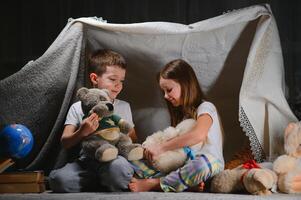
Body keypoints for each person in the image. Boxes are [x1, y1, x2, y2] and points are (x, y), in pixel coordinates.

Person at [129, 59, 224, 192]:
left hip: (208, 165)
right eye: (163, 92)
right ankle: (186, 184)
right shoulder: (183, 115)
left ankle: (156, 183)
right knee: (134, 162)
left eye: (169, 90)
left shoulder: (206, 107)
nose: (166, 96)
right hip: (182, 167)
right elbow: (176, 152)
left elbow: (198, 135)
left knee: (201, 165)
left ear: (185, 85)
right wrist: (152, 152)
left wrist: (161, 148)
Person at [49, 49, 137, 192]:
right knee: (58, 180)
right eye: (113, 79)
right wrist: (82, 132)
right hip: (87, 160)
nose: (118, 85)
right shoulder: (77, 107)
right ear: (95, 79)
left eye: (121, 81)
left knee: (118, 170)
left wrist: (116, 131)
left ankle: (107, 179)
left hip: (113, 158)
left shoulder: (123, 106)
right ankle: (105, 181)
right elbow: (65, 142)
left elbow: (133, 137)